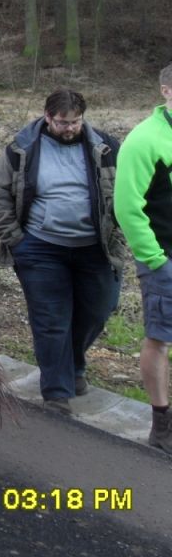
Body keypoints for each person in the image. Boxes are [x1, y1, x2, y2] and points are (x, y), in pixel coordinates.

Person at [0, 88, 125, 414]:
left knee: (98, 310)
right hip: (40, 248)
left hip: (96, 248)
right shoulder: (22, 148)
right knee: (51, 320)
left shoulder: (106, 147)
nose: (69, 128)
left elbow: (127, 191)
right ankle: (56, 392)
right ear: (48, 117)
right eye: (63, 122)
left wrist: (120, 231)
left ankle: (72, 364)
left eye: (75, 121)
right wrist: (16, 240)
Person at [113, 64, 172, 454]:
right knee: (160, 338)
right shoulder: (144, 139)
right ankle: (162, 424)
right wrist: (155, 259)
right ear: (166, 90)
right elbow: (127, 207)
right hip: (164, 257)